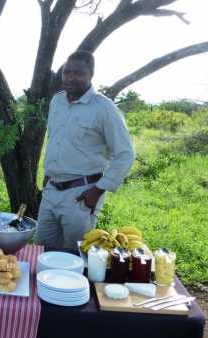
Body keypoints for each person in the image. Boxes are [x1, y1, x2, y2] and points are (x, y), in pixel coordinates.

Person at [35, 50, 135, 250]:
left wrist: (96, 192)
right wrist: (48, 175)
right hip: (51, 190)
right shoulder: (57, 101)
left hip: (81, 194)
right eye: (67, 73)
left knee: (74, 257)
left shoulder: (104, 109)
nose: (70, 78)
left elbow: (125, 155)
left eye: (78, 74)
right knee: (43, 252)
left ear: (91, 75)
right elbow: (57, 141)